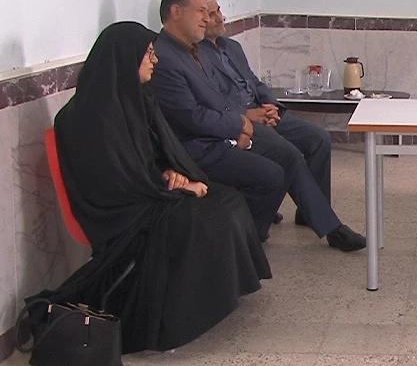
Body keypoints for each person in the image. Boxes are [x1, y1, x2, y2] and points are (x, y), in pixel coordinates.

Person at [30, 21, 272, 353]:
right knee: (196, 218)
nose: (155, 60)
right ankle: (174, 321)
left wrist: (173, 173)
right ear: (125, 59)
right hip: (118, 209)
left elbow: (157, 152)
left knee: (227, 199)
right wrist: (171, 189)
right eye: (148, 54)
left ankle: (220, 295)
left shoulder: (139, 97)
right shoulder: (88, 116)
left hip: (145, 189)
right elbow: (111, 180)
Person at [151, 0, 365, 251]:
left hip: (247, 117)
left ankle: (306, 217)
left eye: (213, 11)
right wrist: (242, 122)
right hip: (214, 136)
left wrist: (270, 106)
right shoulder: (176, 55)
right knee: (285, 159)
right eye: (203, 12)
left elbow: (252, 82)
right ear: (176, 12)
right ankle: (276, 233)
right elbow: (195, 114)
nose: (211, 18)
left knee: (315, 139)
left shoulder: (221, 48)